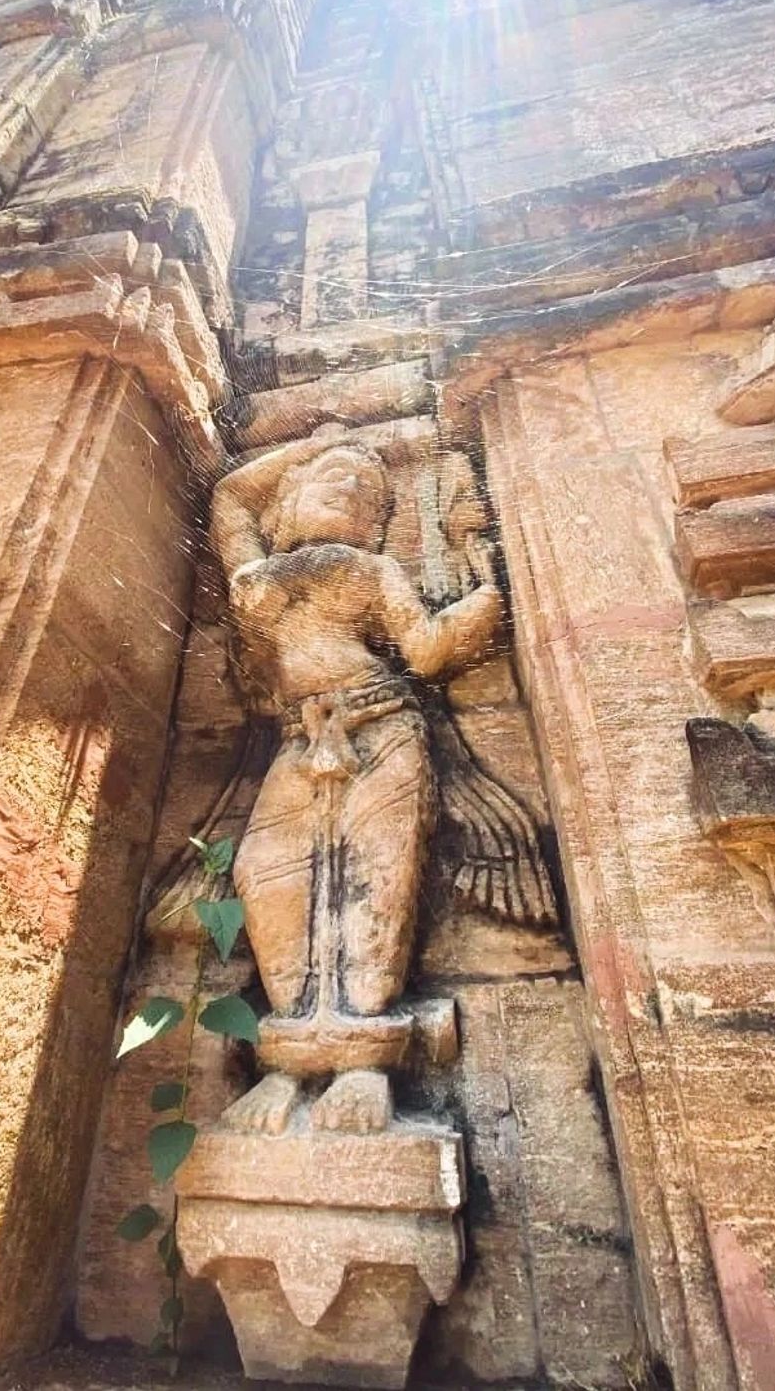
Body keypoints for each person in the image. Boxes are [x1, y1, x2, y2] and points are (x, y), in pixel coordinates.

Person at [209, 428, 503, 1134]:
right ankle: (288, 1064)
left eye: (364, 491)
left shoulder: (372, 570)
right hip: (303, 738)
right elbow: (229, 497)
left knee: (376, 876)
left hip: (382, 727)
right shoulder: (255, 575)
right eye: (331, 478)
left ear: (374, 523)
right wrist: (318, 445)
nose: (347, 488)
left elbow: (425, 651)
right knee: (266, 874)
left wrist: (485, 598)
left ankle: (363, 1065)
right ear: (288, 501)